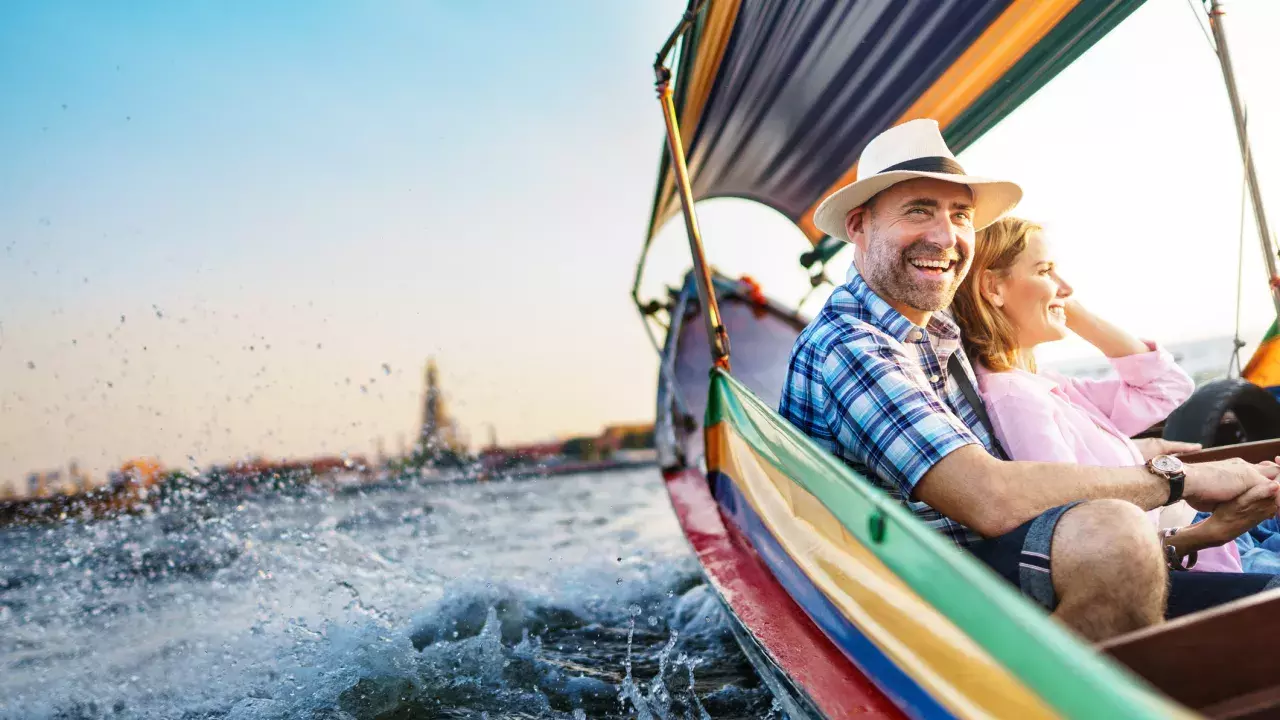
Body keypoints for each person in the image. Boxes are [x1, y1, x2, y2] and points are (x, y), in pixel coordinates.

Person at [778, 118, 1280, 642]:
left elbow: (1138, 386)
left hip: (992, 561)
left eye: (960, 216)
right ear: (859, 226)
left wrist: (1146, 448)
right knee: (1114, 532)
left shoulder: (940, 327)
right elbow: (987, 496)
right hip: (918, 596)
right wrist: (1182, 478)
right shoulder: (851, 346)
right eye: (918, 210)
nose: (945, 236)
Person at [948, 216, 1274, 574]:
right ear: (992, 287)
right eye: (1045, 271)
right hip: (1198, 555)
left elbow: (1166, 388)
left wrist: (1063, 306)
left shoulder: (1046, 385)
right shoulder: (1014, 396)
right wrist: (1205, 531)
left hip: (1224, 539)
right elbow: (1077, 517)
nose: (1066, 286)